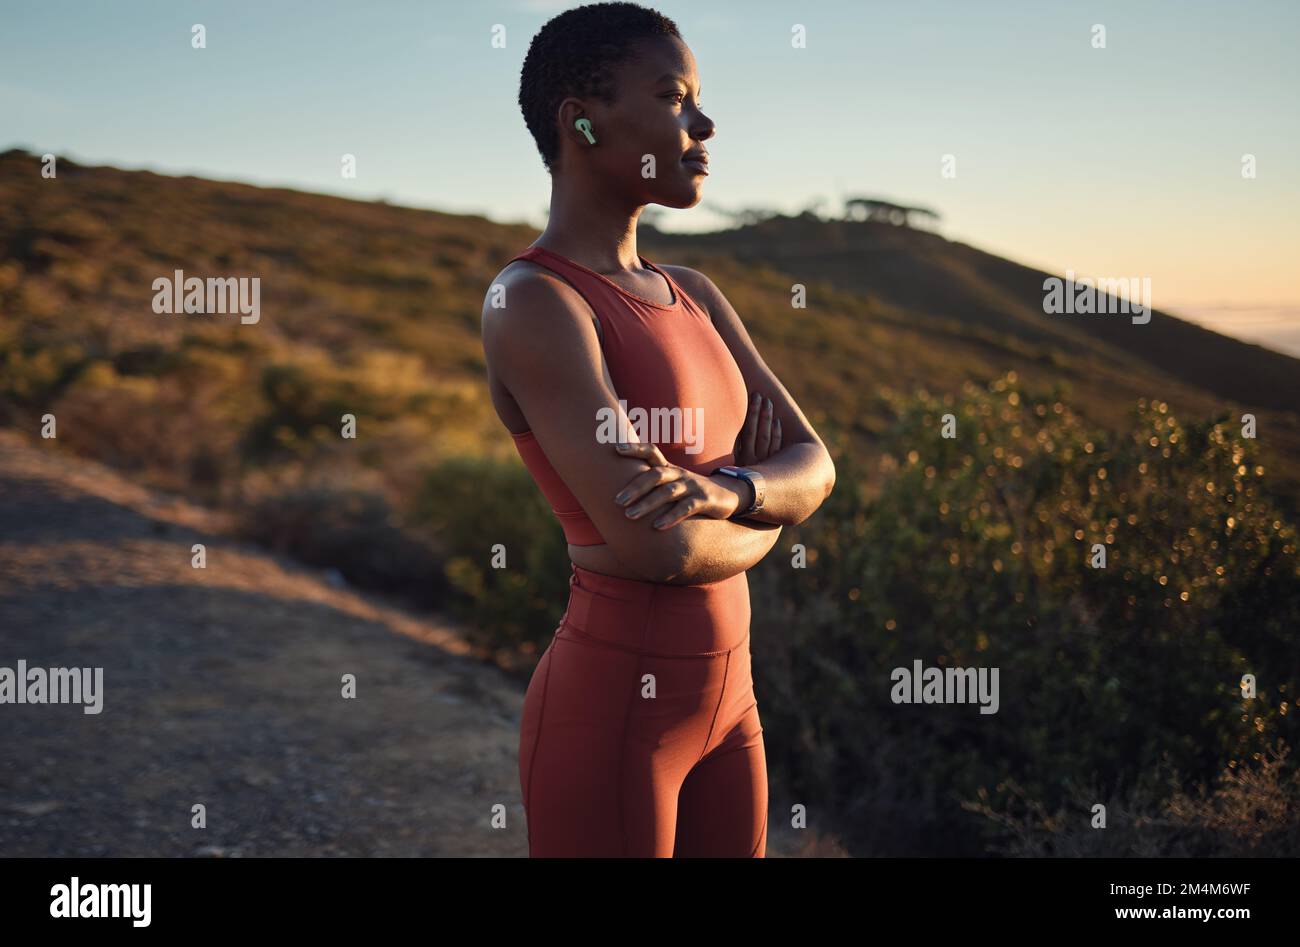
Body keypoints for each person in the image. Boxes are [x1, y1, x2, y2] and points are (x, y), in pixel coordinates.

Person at [480, 2, 835, 857]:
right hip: (610, 718)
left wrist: (728, 493)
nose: (705, 122)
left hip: (733, 708)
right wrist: (774, 521)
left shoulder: (695, 292)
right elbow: (659, 553)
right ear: (584, 122)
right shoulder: (534, 300)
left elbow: (816, 464)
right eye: (674, 97)